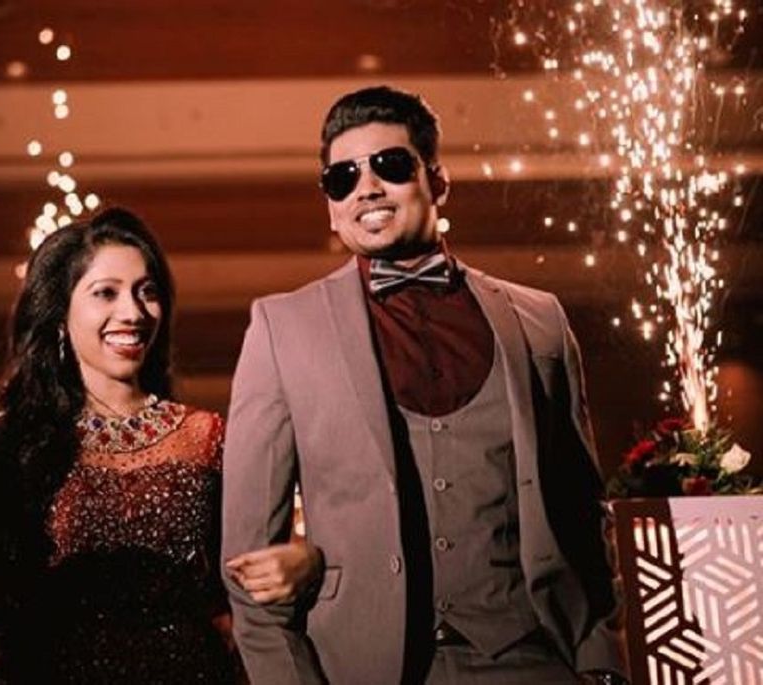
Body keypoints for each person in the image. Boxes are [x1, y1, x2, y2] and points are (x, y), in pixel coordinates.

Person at [221, 86, 629, 685]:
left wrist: (601, 665)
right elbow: (248, 568)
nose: (366, 188)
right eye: (342, 178)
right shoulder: (282, 329)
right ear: (331, 207)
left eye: (390, 165)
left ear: (437, 181)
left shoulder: (538, 320)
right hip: (364, 670)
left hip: (532, 658)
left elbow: (581, 513)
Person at [0, 207, 322, 684]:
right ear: (59, 312)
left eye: (146, 291)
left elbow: (254, 567)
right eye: (106, 293)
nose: (133, 312)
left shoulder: (208, 438)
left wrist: (307, 560)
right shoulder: (11, 447)